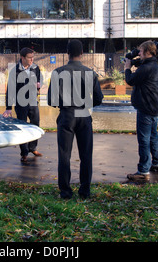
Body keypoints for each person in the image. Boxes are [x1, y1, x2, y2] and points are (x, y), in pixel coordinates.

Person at [47, 39, 103, 199]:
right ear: (82, 53)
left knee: (64, 155)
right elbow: (99, 99)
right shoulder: (90, 73)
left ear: (67, 53)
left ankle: (65, 191)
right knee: (86, 155)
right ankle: (85, 191)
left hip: (67, 115)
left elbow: (51, 100)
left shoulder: (58, 72)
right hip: (84, 115)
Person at [124, 40, 158, 181]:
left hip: (145, 108)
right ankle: (157, 162)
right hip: (154, 107)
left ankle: (143, 171)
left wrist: (127, 67)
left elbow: (130, 80)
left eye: (140, 51)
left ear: (147, 52)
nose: (139, 54)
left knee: (144, 140)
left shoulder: (146, 68)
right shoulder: (155, 66)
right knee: (153, 136)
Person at [2, 47, 43, 162]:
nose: (32, 60)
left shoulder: (36, 68)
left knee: (35, 125)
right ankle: (24, 152)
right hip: (21, 104)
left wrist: (38, 86)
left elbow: (38, 80)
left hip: (33, 102)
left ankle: (32, 148)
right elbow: (10, 90)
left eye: (32, 57)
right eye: (29, 58)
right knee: (22, 127)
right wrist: (8, 108)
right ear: (22, 58)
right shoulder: (15, 71)